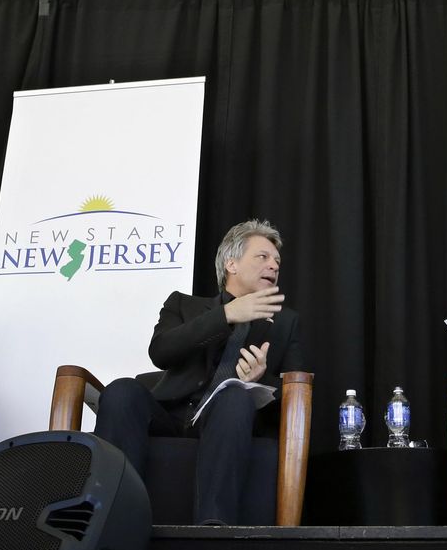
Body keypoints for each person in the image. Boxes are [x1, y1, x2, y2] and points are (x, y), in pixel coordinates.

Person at [94, 219, 303, 525]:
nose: (273, 265)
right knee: (122, 390)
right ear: (231, 263)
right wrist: (227, 314)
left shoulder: (286, 323)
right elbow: (161, 352)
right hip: (168, 417)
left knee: (235, 396)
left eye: (277, 261)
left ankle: (213, 527)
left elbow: (297, 393)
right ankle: (114, 520)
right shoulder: (183, 304)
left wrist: (261, 381)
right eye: (263, 257)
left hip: (227, 424)